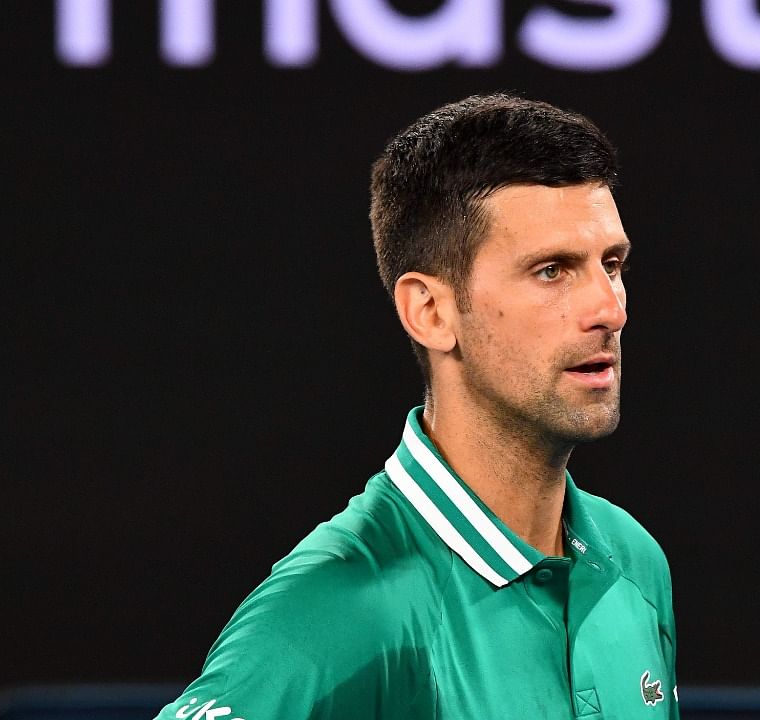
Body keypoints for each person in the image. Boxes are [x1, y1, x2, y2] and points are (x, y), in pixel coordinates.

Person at [154, 94, 678, 719]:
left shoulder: (634, 562)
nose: (610, 310)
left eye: (611, 264)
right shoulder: (334, 614)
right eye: (551, 271)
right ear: (430, 312)